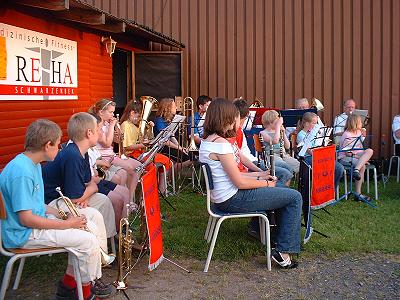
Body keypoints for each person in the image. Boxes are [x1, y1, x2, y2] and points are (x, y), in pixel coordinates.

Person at [0, 119, 114, 300]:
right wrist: (67, 224)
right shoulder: (21, 172)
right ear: (47, 145)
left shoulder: (33, 164)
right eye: (58, 144)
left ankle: (69, 286)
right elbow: (26, 219)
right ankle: (84, 293)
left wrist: (61, 214)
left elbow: (36, 205)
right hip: (24, 234)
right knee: (87, 241)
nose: (60, 148)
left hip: (33, 226)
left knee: (90, 223)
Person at [199, 98, 302, 269]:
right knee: (295, 197)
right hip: (233, 199)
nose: (235, 121)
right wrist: (267, 184)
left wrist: (260, 176)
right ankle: (284, 251)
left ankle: (276, 237)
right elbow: (239, 182)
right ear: (226, 118)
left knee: (283, 190)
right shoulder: (221, 145)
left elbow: (235, 175)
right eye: (234, 117)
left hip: (224, 197)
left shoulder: (208, 141)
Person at [42, 112, 117, 240]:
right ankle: (94, 245)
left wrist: (87, 194)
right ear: (89, 133)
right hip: (53, 202)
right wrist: (88, 192)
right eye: (98, 130)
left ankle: (106, 242)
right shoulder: (72, 155)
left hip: (69, 196)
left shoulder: (83, 151)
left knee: (104, 201)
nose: (100, 133)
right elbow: (79, 196)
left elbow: (90, 183)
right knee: (92, 212)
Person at [89, 99, 142, 201]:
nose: (112, 114)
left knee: (138, 167)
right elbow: (107, 143)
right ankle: (127, 199)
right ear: (101, 112)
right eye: (110, 112)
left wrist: (117, 130)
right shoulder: (97, 125)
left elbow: (117, 141)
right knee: (130, 169)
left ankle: (131, 197)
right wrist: (112, 126)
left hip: (111, 154)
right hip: (104, 157)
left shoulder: (107, 124)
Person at [233, 98, 293, 186]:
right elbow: (239, 158)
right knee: (285, 173)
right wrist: (261, 173)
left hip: (252, 162)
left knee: (287, 169)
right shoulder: (237, 132)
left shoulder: (239, 131)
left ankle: (279, 190)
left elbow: (288, 146)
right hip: (250, 164)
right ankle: (277, 191)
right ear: (247, 115)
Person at [87, 113, 131, 229]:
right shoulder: (79, 150)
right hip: (91, 185)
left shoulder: (89, 147)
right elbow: (91, 178)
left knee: (125, 192)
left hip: (96, 179)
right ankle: (116, 231)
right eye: (99, 129)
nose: (101, 132)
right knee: (117, 199)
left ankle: (124, 227)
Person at [120, 99, 172, 194]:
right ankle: (150, 193)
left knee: (166, 160)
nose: (140, 118)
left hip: (139, 153)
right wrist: (144, 144)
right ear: (132, 113)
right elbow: (126, 147)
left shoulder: (134, 126)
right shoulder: (125, 125)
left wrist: (150, 129)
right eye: (139, 116)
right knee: (151, 166)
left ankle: (161, 190)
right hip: (131, 155)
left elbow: (144, 140)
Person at [297, 112, 344, 188]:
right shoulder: (301, 135)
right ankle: (320, 191)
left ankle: (331, 191)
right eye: (314, 123)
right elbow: (309, 151)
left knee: (339, 168)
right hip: (308, 158)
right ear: (306, 124)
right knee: (323, 168)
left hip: (319, 157)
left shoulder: (316, 134)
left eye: (317, 123)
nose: (316, 126)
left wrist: (325, 142)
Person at [338, 114, 373, 197]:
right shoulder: (346, 135)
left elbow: (361, 148)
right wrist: (361, 160)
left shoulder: (358, 132)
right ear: (355, 123)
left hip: (356, 155)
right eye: (360, 122)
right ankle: (358, 194)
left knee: (369, 150)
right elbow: (347, 152)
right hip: (345, 157)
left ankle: (356, 170)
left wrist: (362, 158)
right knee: (362, 166)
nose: (362, 123)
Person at [154, 98, 193, 168]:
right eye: (174, 106)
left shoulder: (168, 120)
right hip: (161, 148)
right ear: (167, 108)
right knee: (187, 158)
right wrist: (179, 148)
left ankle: (172, 173)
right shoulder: (159, 120)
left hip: (169, 146)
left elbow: (171, 136)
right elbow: (164, 140)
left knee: (189, 156)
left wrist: (180, 147)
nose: (176, 108)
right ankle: (171, 173)